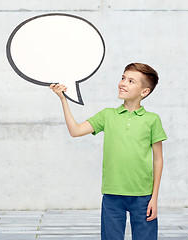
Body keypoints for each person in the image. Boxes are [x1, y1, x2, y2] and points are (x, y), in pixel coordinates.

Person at [49, 63, 167, 240]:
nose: (123, 83)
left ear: (144, 92)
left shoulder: (152, 120)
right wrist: (63, 100)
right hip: (112, 194)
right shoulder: (107, 115)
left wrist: (154, 198)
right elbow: (75, 131)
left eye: (130, 81)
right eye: (122, 78)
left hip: (143, 195)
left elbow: (158, 159)